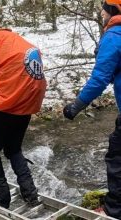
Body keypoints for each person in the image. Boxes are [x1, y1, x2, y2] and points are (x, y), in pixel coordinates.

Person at [0, 9, 47, 209]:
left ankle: (1, 196)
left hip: (6, 103)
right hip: (28, 101)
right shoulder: (15, 39)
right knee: (13, 149)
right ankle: (31, 194)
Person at [63, 0, 121, 218]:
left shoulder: (115, 36)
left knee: (117, 159)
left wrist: (76, 106)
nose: (101, 13)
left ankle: (113, 211)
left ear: (113, 11)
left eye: (103, 10)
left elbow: (99, 79)